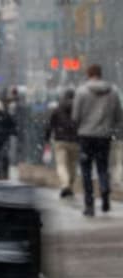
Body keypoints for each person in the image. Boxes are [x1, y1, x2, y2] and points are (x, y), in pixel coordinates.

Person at [72, 64, 123, 217]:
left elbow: (75, 116)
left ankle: (89, 204)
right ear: (101, 74)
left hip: (86, 135)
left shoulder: (81, 91)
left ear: (88, 74)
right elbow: (118, 116)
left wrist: (81, 125)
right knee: (102, 166)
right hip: (104, 136)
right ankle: (104, 188)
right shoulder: (113, 92)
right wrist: (108, 126)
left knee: (86, 170)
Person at [45, 88, 79, 198]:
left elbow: (49, 125)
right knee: (72, 165)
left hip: (60, 140)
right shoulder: (78, 109)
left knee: (61, 164)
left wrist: (47, 138)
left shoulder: (57, 109)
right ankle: (70, 186)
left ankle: (65, 185)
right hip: (75, 141)